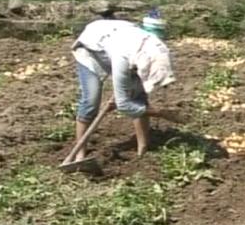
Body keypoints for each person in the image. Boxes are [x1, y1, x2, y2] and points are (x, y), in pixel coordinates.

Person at [71, 16, 176, 161]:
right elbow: (123, 105)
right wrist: (161, 113)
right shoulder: (122, 57)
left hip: (118, 40)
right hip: (92, 48)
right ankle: (79, 154)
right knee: (91, 101)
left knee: (138, 97)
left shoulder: (156, 48)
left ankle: (143, 149)